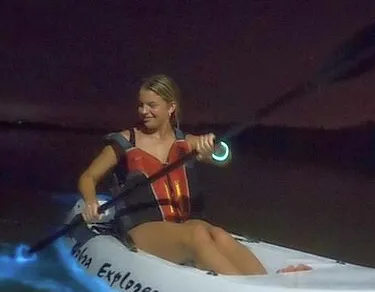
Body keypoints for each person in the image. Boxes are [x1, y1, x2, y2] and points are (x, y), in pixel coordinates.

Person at [77, 74, 311, 275]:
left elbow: (223, 157)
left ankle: (265, 279)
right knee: (197, 233)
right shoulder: (124, 142)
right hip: (142, 228)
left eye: (151, 105)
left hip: (183, 224)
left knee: (217, 233)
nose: (144, 111)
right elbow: (88, 178)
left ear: (171, 107)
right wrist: (90, 202)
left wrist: (212, 147)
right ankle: (249, 291)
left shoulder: (185, 143)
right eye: (141, 105)